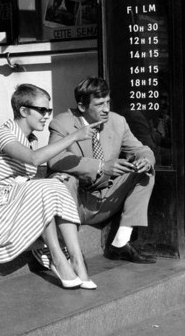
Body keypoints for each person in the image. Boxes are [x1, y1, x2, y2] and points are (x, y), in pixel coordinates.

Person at [0, 84, 101, 289]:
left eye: (48, 111)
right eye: (42, 110)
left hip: (12, 202)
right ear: (24, 111)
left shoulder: (31, 139)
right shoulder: (4, 134)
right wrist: (75, 136)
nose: (46, 116)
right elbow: (34, 159)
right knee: (44, 187)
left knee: (58, 184)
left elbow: (23, 178)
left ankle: (78, 262)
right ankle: (58, 259)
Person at [47, 77, 157, 264]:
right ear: (82, 107)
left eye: (107, 102)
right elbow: (53, 159)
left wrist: (145, 160)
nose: (106, 108)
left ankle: (120, 242)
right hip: (76, 202)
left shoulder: (117, 122)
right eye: (99, 104)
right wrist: (100, 166)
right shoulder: (62, 123)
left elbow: (140, 149)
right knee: (63, 178)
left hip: (106, 199)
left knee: (145, 173)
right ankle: (68, 248)